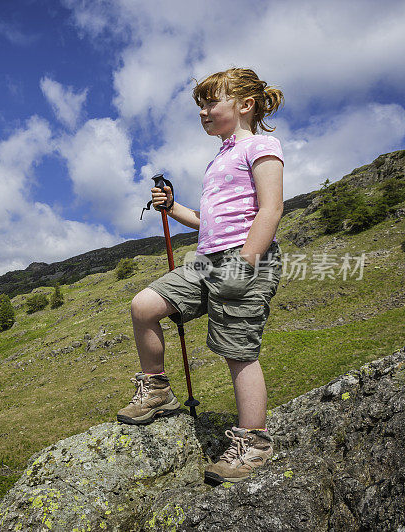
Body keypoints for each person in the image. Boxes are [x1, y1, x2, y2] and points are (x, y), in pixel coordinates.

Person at [116, 68, 285, 484]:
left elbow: (271, 209)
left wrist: (245, 262)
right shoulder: (218, 159)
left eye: (211, 102)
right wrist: (173, 206)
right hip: (206, 258)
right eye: (201, 105)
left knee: (238, 350)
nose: (204, 111)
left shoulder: (263, 146)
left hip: (245, 258)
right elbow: (206, 222)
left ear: (245, 105)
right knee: (144, 306)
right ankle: (157, 390)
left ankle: (254, 444)